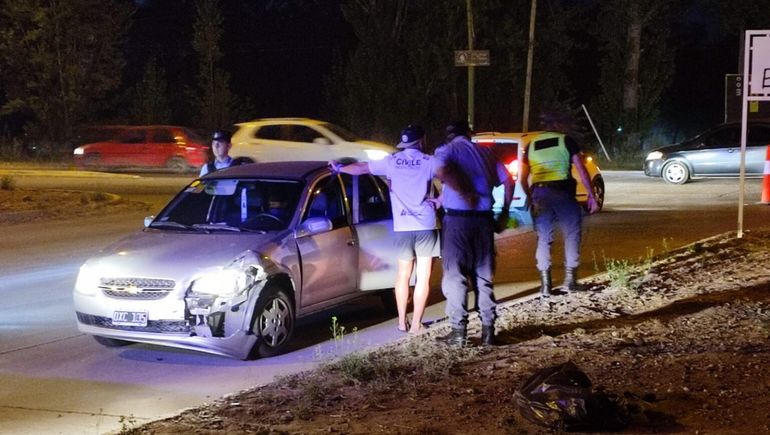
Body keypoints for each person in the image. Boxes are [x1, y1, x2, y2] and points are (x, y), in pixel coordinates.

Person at [334, 125, 440, 334]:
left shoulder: (391, 162)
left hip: (402, 225)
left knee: (402, 275)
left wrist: (338, 168)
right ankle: (417, 324)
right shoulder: (430, 162)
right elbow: (454, 179)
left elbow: (360, 169)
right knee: (423, 276)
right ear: (422, 140)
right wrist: (439, 201)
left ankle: (402, 321)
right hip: (426, 225)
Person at [433, 120, 513, 347]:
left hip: (458, 221)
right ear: (469, 134)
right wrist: (504, 212)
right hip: (484, 221)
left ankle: (459, 333)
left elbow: (442, 171)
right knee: (484, 276)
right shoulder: (485, 152)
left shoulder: (446, 150)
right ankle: (489, 332)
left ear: (449, 135)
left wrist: (464, 191)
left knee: (455, 276)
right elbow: (508, 182)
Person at [518, 134, 600, 297]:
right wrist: (591, 195)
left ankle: (546, 286)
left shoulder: (531, 146)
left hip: (540, 194)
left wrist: (531, 198)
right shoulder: (566, 141)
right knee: (572, 234)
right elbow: (581, 169)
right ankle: (570, 281)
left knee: (543, 238)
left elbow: (522, 178)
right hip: (563, 193)